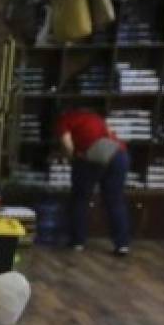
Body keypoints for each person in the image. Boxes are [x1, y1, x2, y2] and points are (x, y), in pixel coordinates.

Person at [54, 107, 131, 256]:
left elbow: (67, 144)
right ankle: (122, 245)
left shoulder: (64, 120)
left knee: (80, 199)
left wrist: (71, 158)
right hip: (119, 154)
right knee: (115, 201)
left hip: (94, 156)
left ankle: (78, 241)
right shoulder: (95, 117)